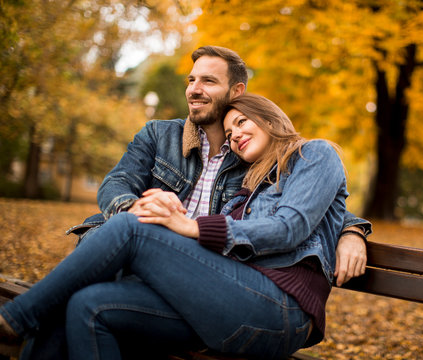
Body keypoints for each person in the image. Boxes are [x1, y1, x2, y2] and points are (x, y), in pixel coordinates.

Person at [2, 45, 371, 358]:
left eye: (208, 80)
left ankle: (15, 319)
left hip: (265, 301)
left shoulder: (291, 157)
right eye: (191, 80)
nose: (195, 88)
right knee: (87, 304)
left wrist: (352, 230)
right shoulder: (175, 142)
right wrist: (142, 208)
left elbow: (297, 218)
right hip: (189, 287)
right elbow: (116, 183)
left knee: (134, 229)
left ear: (242, 96)